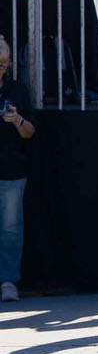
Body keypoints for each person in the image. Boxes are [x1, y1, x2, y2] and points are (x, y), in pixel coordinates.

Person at [0, 37, 36, 302]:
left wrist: (17, 120)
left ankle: (8, 280)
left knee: (10, 230)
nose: (1, 70)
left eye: (3, 65)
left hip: (11, 169)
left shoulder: (16, 91)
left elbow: (30, 132)